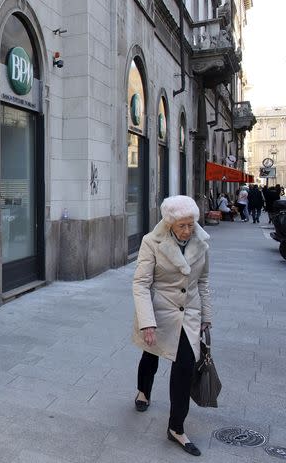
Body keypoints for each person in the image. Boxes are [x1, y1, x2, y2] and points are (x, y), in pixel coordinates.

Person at [132, 195, 212, 457]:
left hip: (189, 314)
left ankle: (176, 427)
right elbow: (141, 284)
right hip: (160, 310)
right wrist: (147, 323)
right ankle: (144, 391)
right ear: (169, 224)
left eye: (191, 224)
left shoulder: (201, 242)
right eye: (182, 226)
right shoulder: (151, 242)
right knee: (151, 354)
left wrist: (206, 318)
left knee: (185, 368)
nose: (188, 230)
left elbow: (203, 282)